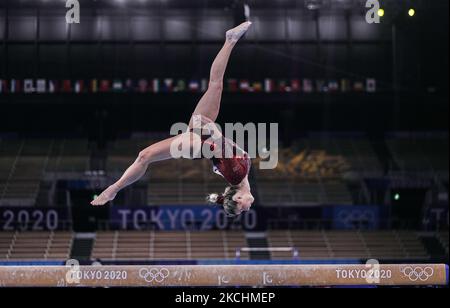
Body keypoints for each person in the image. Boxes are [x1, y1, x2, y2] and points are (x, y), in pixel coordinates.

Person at [91, 22, 254, 217]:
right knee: (215, 85)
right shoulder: (240, 176)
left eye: (243, 209)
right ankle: (230, 40)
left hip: (199, 142)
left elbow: (221, 147)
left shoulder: (237, 175)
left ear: (237, 198)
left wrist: (212, 130)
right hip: (203, 139)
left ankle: (113, 189)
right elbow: (224, 155)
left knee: (145, 156)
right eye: (243, 210)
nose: (247, 209)